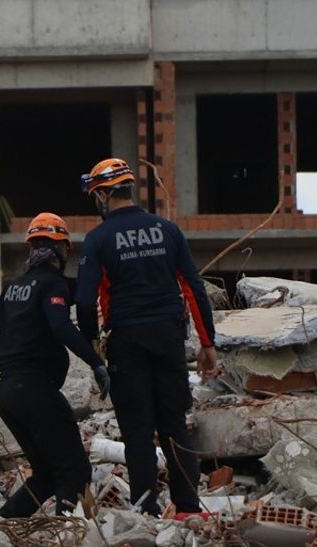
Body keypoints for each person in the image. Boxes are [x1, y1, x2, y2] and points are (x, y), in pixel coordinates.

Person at [75, 158, 218, 519]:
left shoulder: (98, 239)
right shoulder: (167, 230)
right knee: (173, 423)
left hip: (126, 340)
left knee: (138, 428)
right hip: (168, 338)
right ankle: (187, 507)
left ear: (105, 194)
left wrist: (94, 345)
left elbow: (84, 299)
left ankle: (145, 509)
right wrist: (207, 343)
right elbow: (193, 288)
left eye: (97, 196)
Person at [0, 212, 111, 518]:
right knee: (75, 473)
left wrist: (10, 361)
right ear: (63, 250)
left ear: (31, 249)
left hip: (8, 393)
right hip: (36, 392)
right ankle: (65, 541)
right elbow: (61, 326)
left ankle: (0, 528)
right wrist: (95, 361)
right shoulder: (52, 286)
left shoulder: (13, 288)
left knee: (47, 475)